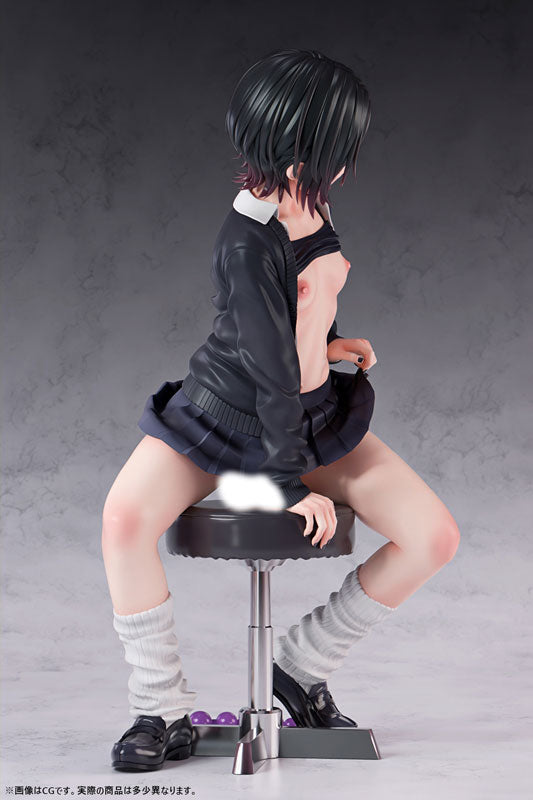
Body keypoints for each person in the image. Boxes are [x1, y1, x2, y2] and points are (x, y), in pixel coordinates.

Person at [103, 48, 460, 772]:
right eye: (335, 146)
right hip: (224, 415)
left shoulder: (312, 199)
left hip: (306, 412)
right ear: (297, 144)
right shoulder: (246, 238)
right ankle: (159, 707)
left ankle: (299, 665)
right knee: (125, 520)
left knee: (433, 537)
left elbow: (303, 308)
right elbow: (266, 369)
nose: (341, 163)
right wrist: (285, 482)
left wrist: (329, 342)